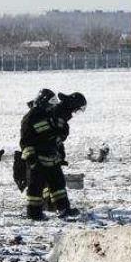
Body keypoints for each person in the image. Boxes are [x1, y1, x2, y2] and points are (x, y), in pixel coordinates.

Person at [19, 88, 78, 220]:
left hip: (51, 157)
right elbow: (25, 141)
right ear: (43, 102)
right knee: (36, 187)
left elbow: (54, 134)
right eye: (50, 105)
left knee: (58, 185)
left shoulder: (48, 114)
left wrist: (59, 151)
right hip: (37, 158)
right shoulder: (30, 117)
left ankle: (63, 209)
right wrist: (31, 158)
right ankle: (34, 214)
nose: (51, 107)